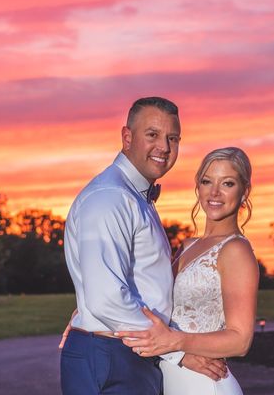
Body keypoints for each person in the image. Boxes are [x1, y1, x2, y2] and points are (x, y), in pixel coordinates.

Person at [60, 97, 226, 395]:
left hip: (126, 353)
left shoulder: (134, 196)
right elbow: (105, 298)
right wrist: (175, 351)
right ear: (127, 137)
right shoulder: (110, 197)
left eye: (172, 138)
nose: (164, 146)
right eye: (152, 135)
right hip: (113, 356)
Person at [114, 147, 259, 395]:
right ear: (198, 186)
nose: (214, 192)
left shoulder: (236, 250)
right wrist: (89, 312)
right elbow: (150, 298)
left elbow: (240, 339)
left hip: (205, 385)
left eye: (227, 183)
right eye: (206, 181)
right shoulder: (187, 246)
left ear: (244, 191)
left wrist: (176, 341)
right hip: (173, 381)